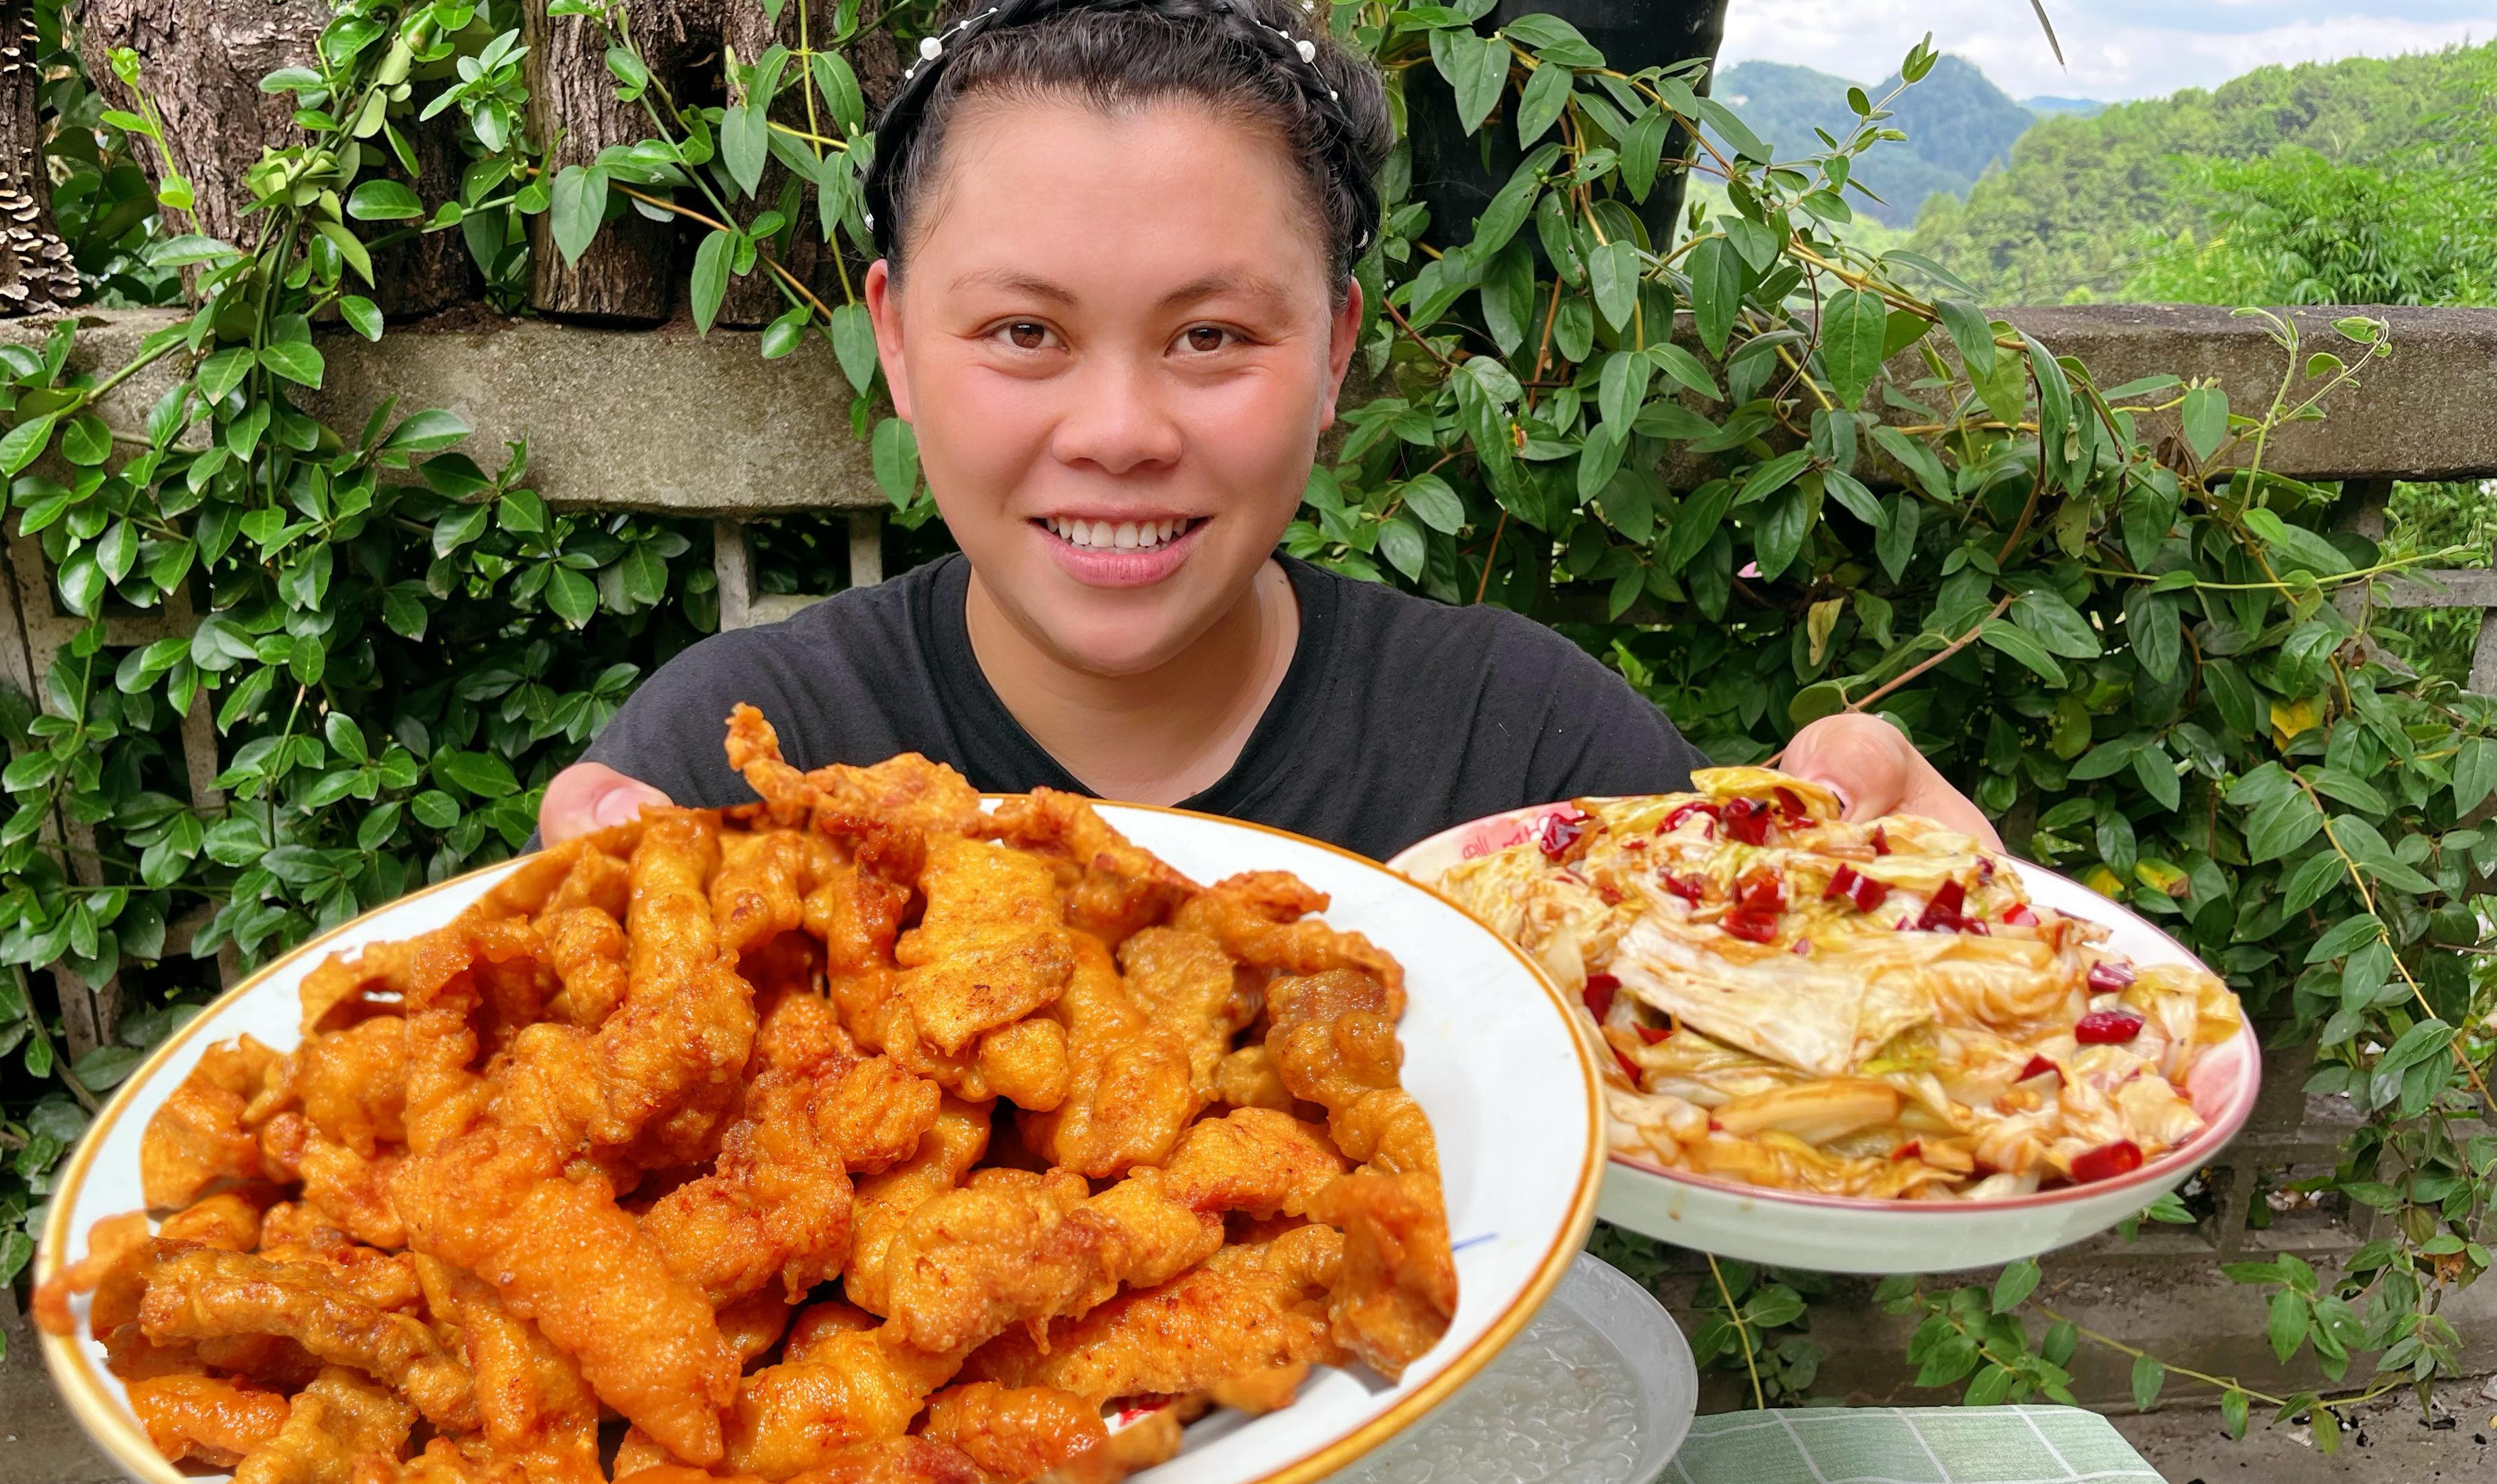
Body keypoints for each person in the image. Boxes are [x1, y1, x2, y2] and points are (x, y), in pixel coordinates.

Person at [539, 0, 1998, 861]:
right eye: (1024, 334)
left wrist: (1914, 933)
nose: (1119, 431)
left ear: (1337, 354)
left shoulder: (1537, 760)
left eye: (1212, 338)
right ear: (901, 346)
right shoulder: (730, 778)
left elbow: (1763, 1041)